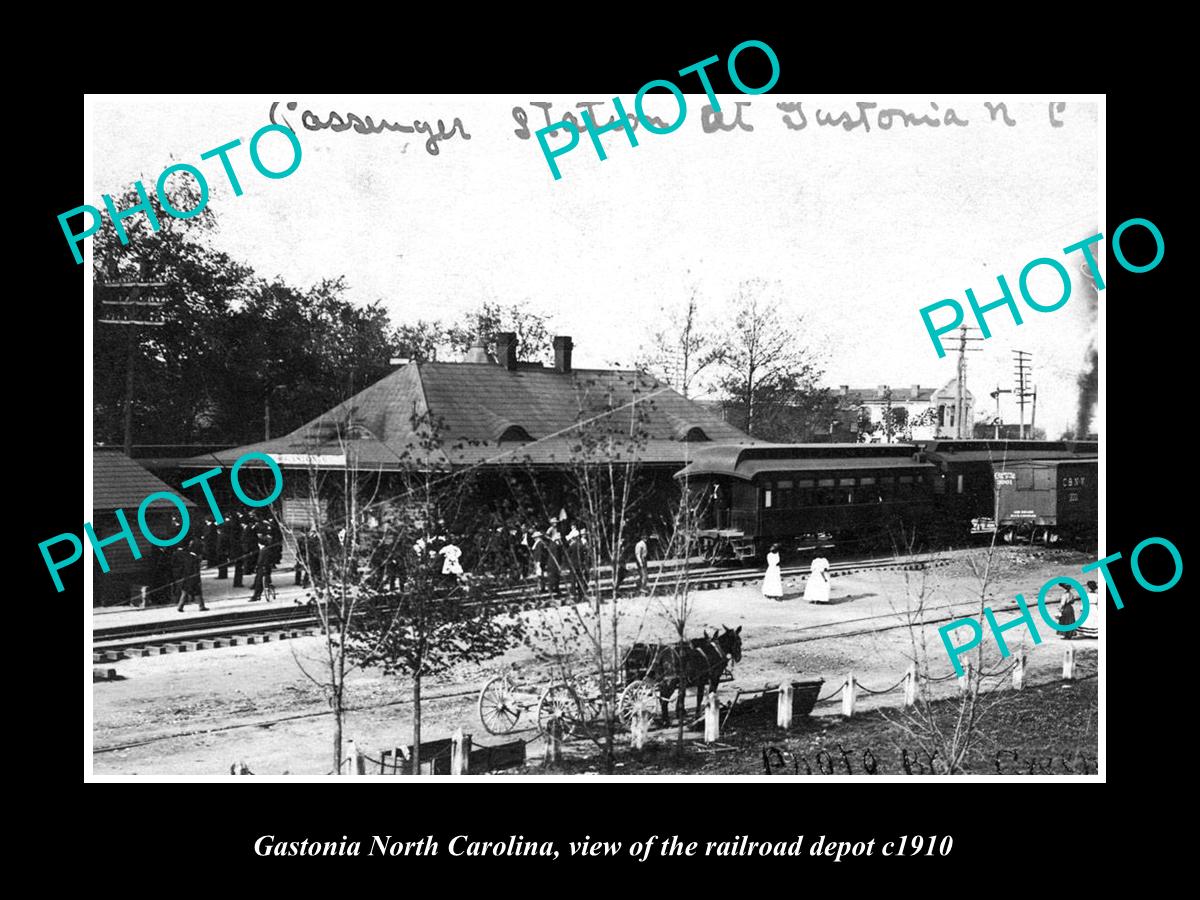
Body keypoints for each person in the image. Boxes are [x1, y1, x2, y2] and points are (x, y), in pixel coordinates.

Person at [176, 537, 208, 612]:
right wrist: (197, 578)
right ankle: (201, 606)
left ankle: (180, 606)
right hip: (193, 578)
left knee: (185, 592)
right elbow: (195, 569)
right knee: (197, 592)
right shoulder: (194, 558)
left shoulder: (187, 556)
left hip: (186, 578)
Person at [249, 514, 276, 602]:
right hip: (267, 567)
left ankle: (256, 595)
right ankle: (268, 588)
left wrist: (258, 566)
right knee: (266, 578)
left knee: (258, 581)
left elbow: (261, 561)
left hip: (262, 567)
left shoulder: (263, 550)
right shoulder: (268, 546)